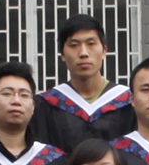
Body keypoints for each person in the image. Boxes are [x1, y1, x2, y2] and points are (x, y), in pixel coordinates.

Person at [42, 11, 134, 148]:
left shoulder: (129, 103)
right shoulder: (46, 106)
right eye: (74, 45)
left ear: (104, 51)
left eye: (91, 44)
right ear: (62, 54)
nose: (83, 53)